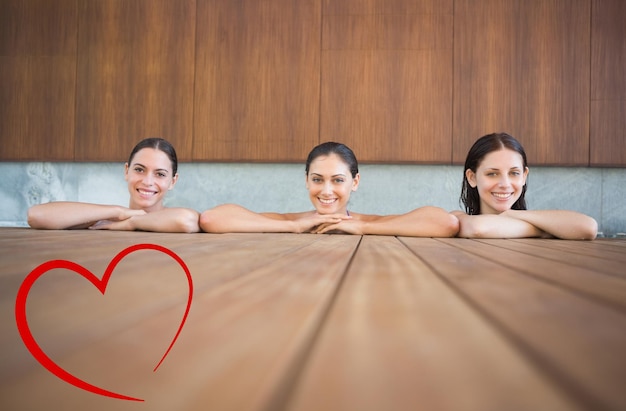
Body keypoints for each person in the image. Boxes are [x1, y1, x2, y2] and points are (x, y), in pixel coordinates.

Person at [200, 142, 459, 237]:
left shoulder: (368, 223)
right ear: (306, 180)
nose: (326, 190)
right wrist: (293, 227)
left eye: (337, 180)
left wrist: (362, 228)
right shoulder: (292, 221)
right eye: (317, 179)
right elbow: (212, 218)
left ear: (354, 182)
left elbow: (445, 223)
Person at [27, 137, 200, 233]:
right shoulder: (109, 220)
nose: (147, 181)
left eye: (160, 174)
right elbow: (37, 215)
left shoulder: (178, 218)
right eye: (139, 170)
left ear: (173, 181)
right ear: (127, 171)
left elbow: (186, 220)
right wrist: (119, 212)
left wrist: (130, 223)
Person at [452, 132, 597, 239]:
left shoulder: (527, 217)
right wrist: (544, 230)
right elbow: (479, 228)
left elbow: (589, 227)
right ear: (472, 177)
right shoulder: (457, 219)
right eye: (492, 174)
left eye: (514, 173)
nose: (505, 184)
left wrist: (512, 214)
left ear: (524, 176)